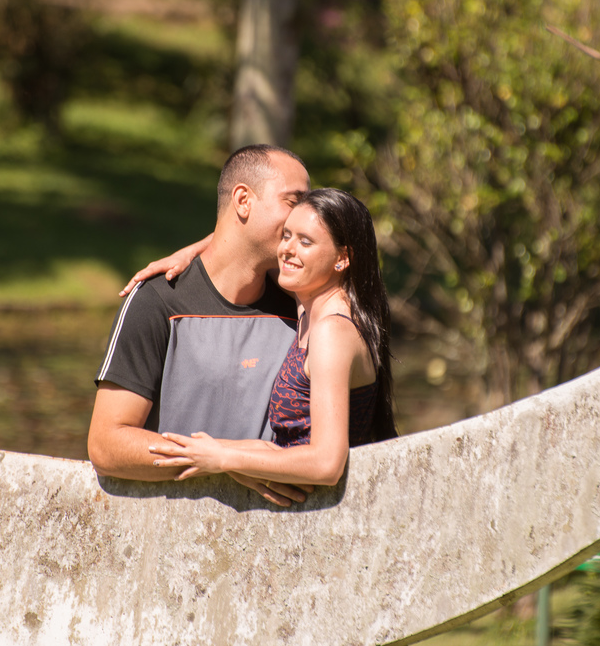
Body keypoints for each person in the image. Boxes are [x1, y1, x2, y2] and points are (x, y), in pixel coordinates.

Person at [87, 144, 312, 507]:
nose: (306, 217)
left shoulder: (303, 305)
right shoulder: (156, 301)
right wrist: (224, 462)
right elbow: (107, 444)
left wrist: (230, 460)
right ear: (243, 200)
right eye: (293, 201)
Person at [147, 188, 397, 489]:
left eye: (305, 241)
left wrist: (224, 459)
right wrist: (192, 252)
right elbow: (244, 241)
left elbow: (326, 463)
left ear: (342, 258)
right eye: (287, 235)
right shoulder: (310, 301)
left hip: (317, 515)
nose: (286, 250)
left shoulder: (332, 332)